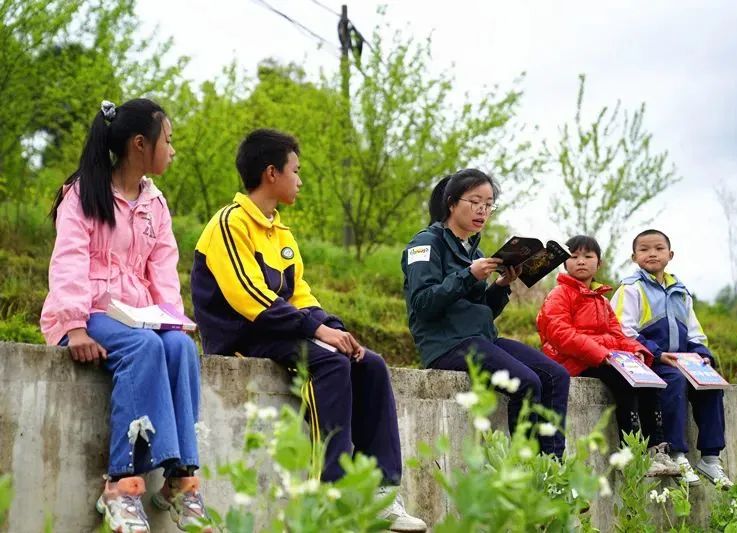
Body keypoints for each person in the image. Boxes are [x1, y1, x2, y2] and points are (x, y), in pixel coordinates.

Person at [190, 128, 426, 532]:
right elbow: (251, 298)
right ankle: (332, 491)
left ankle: (382, 493)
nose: (299, 180)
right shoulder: (230, 223)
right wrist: (317, 332)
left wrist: (335, 329)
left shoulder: (281, 232)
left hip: (280, 330)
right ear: (271, 173)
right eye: (295, 171)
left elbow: (300, 294)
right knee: (329, 363)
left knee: (369, 363)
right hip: (242, 335)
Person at [40, 99, 210, 532]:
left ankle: (181, 479)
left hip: (138, 315)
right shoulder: (84, 192)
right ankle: (120, 485)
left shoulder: (156, 203)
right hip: (88, 312)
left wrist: (172, 321)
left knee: (179, 347)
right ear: (139, 144)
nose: (172, 149)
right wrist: (75, 326)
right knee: (144, 346)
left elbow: (164, 272)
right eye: (167, 140)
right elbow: (69, 261)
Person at [401, 169, 570, 457]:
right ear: (452, 203)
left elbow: (483, 313)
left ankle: (551, 468)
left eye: (489, 204)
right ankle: (525, 468)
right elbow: (423, 304)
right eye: (475, 201)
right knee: (526, 382)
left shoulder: (477, 254)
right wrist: (468, 275)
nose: (483, 210)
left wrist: (501, 285)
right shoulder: (425, 244)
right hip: (446, 344)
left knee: (556, 375)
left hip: (481, 339)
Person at [537, 235, 680, 476]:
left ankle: (656, 449)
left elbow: (618, 334)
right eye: (574, 256)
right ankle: (630, 454)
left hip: (601, 357)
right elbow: (561, 334)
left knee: (648, 379)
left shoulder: (601, 300)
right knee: (625, 382)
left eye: (588, 256)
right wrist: (601, 353)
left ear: (599, 263)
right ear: (564, 263)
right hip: (571, 360)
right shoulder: (560, 294)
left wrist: (637, 351)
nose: (581, 261)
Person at [610, 229, 731, 487]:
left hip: (680, 360)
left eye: (658, 248)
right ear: (634, 257)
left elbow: (695, 332)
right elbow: (621, 331)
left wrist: (702, 356)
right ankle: (676, 454)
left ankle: (710, 458)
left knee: (711, 384)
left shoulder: (681, 291)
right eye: (644, 249)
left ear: (670, 254)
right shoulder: (630, 289)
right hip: (647, 361)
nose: (652, 254)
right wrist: (657, 354)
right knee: (674, 380)